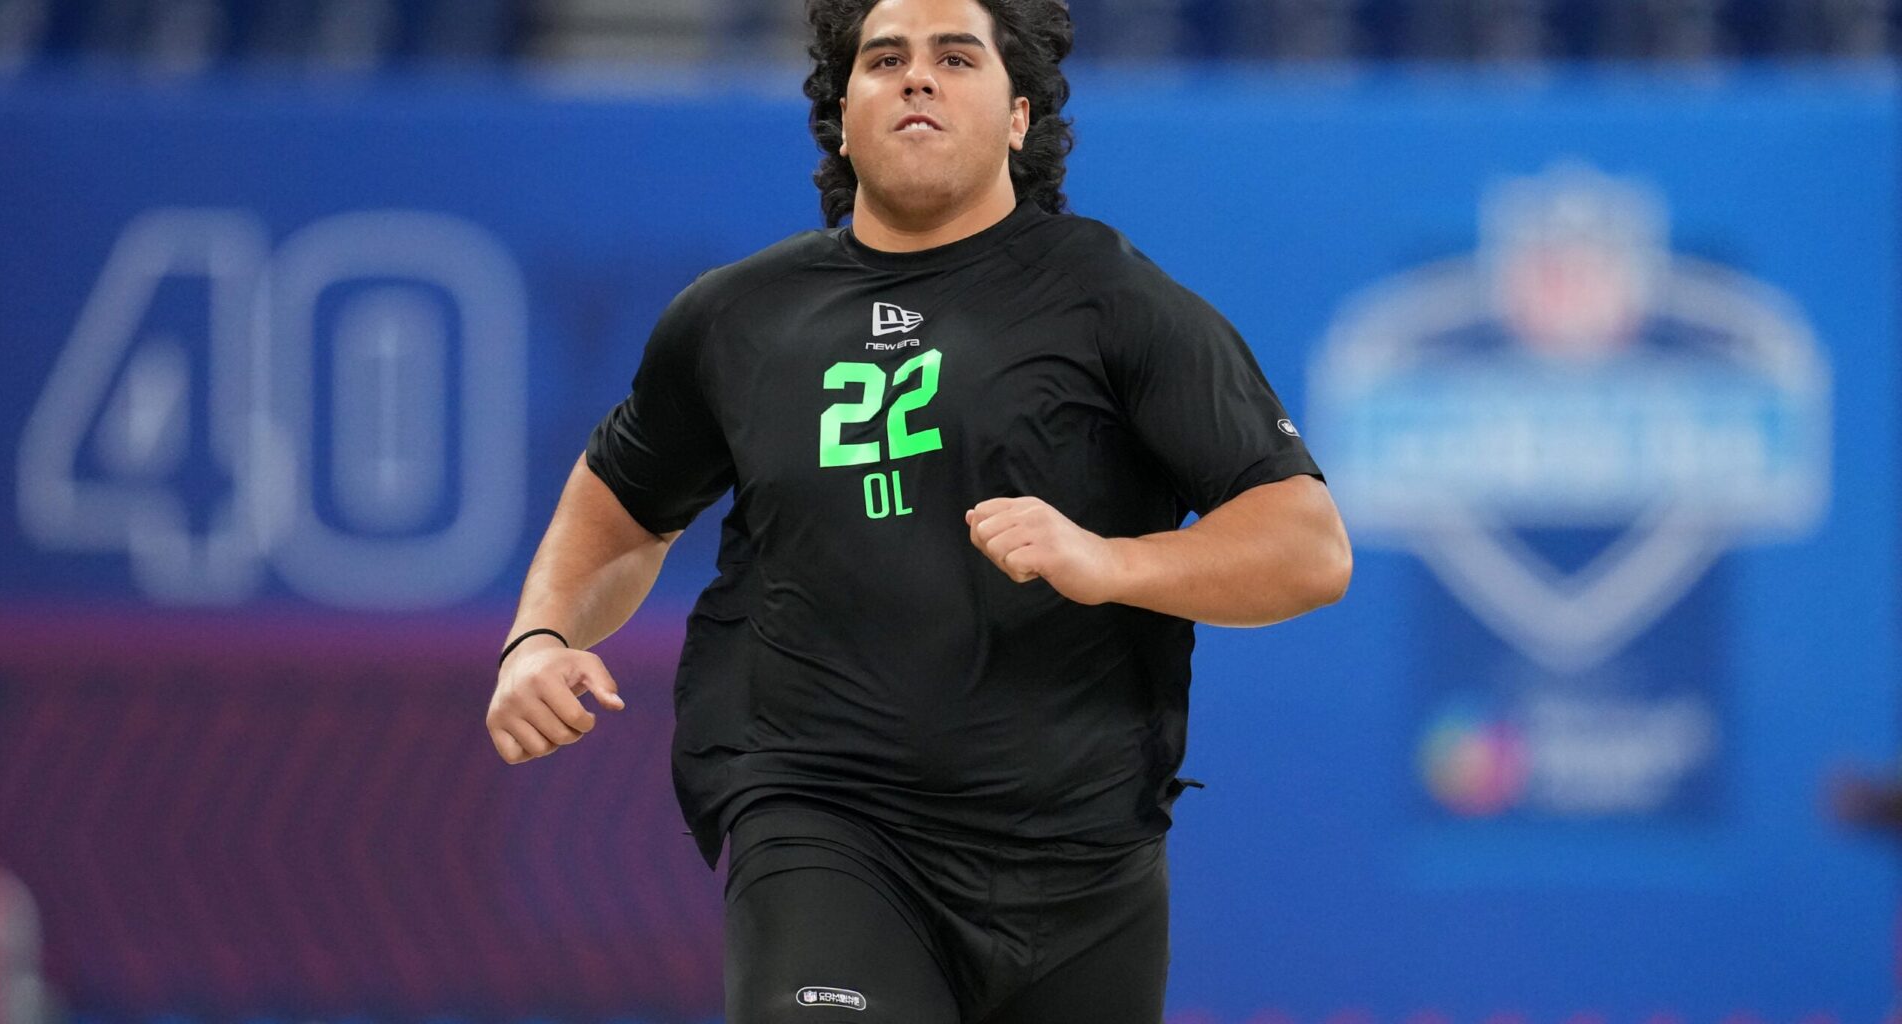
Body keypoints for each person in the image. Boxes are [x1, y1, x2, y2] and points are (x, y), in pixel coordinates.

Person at [485, 0, 1352, 1020]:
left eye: (955, 55)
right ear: (841, 113)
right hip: (824, 824)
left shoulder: (1113, 301)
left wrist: (1112, 561)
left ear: (1020, 116)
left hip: (1082, 864)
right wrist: (537, 638)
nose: (917, 77)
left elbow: (1306, 544)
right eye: (884, 58)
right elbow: (624, 506)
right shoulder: (734, 318)